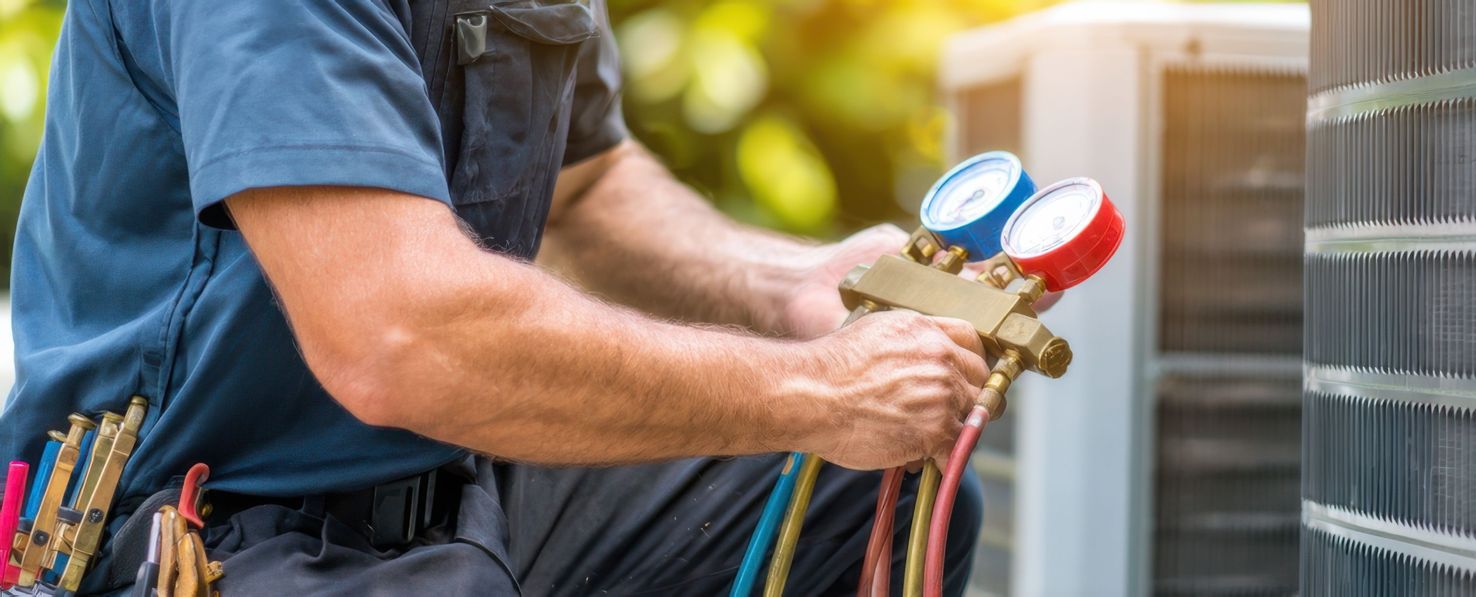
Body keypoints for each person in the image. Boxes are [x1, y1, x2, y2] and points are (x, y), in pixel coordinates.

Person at [0, 0, 985, 594]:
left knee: (864, 489)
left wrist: (794, 290)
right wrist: (818, 392)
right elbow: (399, 337)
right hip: (212, 524)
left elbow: (586, 185)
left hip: (454, 478)